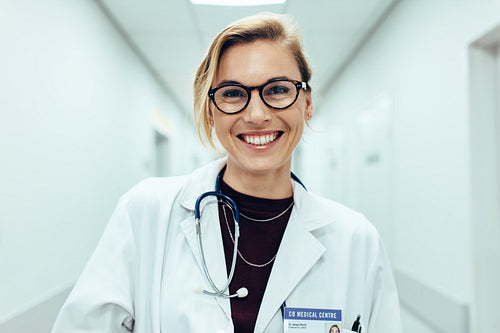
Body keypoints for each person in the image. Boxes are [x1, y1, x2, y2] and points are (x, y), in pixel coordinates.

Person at [52, 12, 401, 333]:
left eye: (278, 90)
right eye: (234, 94)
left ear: (306, 104)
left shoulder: (357, 241)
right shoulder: (145, 214)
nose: (257, 114)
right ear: (210, 114)